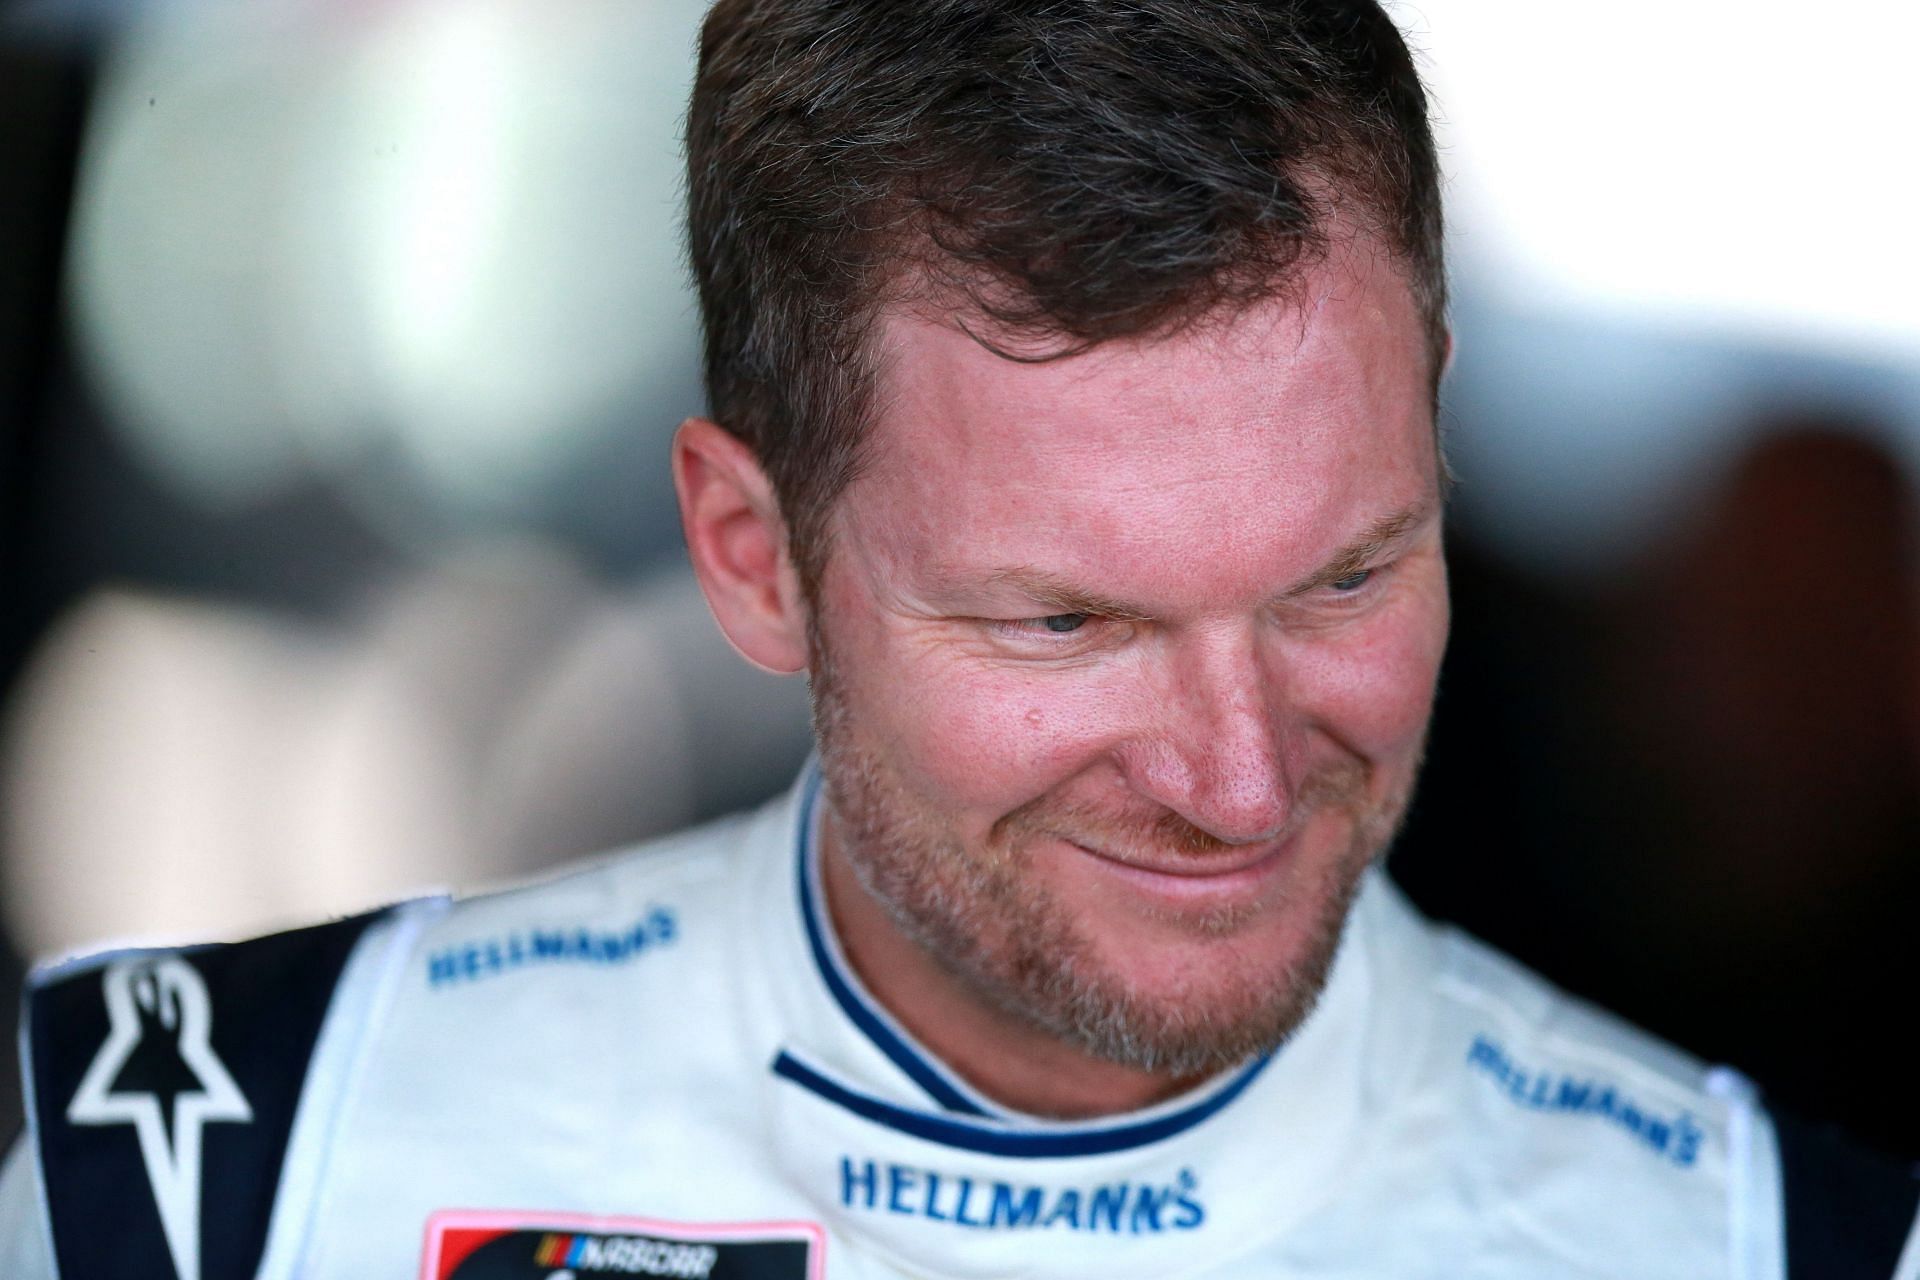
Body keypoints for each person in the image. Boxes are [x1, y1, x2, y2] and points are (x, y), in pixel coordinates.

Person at [5, 0, 1918, 1276]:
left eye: (1342, 579)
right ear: (753, 561)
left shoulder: (1769, 1240)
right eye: (1071, 622)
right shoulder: (203, 1175)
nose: (1239, 776)